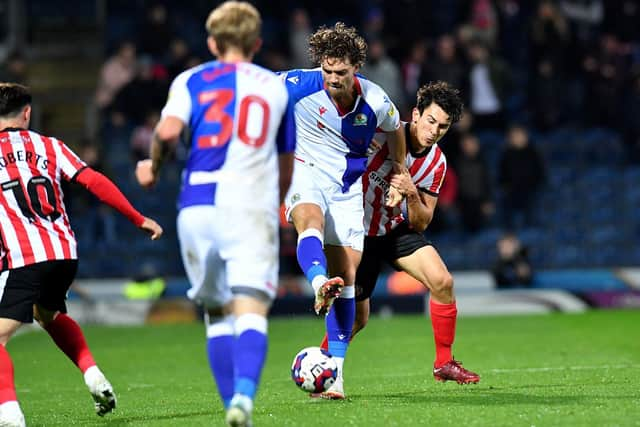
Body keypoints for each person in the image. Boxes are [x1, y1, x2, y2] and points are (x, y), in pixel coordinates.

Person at [134, 2, 295, 426]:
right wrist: (276, 204)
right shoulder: (275, 88)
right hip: (248, 204)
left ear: (211, 42)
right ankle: (243, 397)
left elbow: (167, 132)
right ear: (257, 43)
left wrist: (152, 167)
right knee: (252, 308)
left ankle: (231, 407)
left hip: (198, 205)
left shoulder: (190, 80)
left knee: (216, 312)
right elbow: (285, 161)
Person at [0, 83, 163, 427]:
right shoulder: (52, 146)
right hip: (63, 252)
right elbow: (94, 182)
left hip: (24, 254)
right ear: (26, 113)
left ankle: (9, 415)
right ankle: (93, 375)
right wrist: (137, 217)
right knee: (47, 313)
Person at [321, 81, 480, 385]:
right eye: (431, 121)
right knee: (357, 318)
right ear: (416, 114)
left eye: (443, 127)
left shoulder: (437, 163)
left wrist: (410, 194)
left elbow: (421, 222)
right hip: (357, 232)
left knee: (442, 281)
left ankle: (444, 362)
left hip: (394, 231)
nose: (434, 131)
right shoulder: (380, 132)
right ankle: (323, 367)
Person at [280, 22, 407, 400]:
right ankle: (319, 284)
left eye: (342, 72)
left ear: (356, 68)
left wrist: (400, 167)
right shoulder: (296, 85)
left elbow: (396, 127)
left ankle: (334, 373)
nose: (333, 78)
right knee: (309, 221)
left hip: (348, 188)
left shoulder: (376, 100)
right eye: (328, 70)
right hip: (304, 170)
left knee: (348, 276)